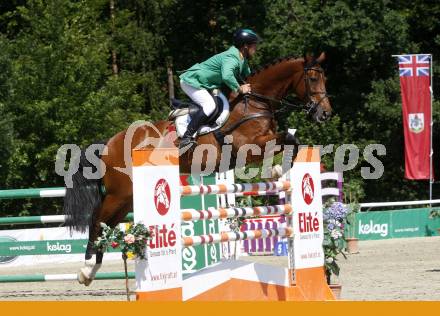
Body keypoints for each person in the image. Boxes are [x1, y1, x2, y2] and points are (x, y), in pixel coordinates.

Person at [178, 28, 261, 151]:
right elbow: (227, 76)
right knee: (210, 105)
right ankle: (187, 137)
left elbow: (249, 77)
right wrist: (239, 89)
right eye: (254, 45)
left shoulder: (242, 59)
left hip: (204, 85)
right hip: (191, 82)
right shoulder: (232, 58)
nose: (256, 48)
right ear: (245, 46)